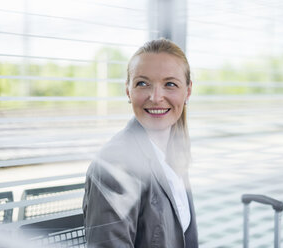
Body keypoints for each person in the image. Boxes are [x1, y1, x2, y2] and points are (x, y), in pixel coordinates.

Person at [82, 38, 198, 248]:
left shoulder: (175, 152)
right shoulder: (115, 165)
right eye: (142, 83)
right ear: (128, 90)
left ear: (188, 91)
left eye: (170, 84)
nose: (155, 97)